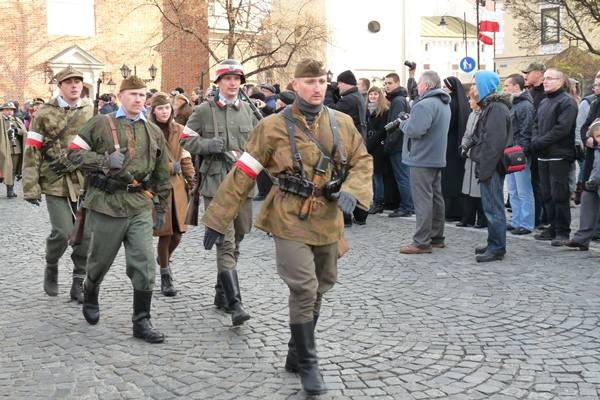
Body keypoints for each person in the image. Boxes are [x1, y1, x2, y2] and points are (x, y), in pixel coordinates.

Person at [200, 58, 372, 395]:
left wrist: (352, 190)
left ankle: (295, 352)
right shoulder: (271, 126)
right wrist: (219, 219)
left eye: (321, 81)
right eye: (309, 82)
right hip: (289, 215)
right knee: (304, 288)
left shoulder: (341, 122)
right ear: (295, 86)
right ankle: (309, 363)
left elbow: (361, 160)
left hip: (327, 216)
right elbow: (244, 172)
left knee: (321, 285)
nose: (317, 88)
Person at [67, 75, 171, 343]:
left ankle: (142, 321)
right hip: (107, 205)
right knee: (99, 262)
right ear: (120, 96)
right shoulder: (101, 123)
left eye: (142, 95)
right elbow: (73, 154)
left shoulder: (154, 131)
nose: (138, 99)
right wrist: (103, 160)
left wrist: (161, 206)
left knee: (145, 263)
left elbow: (161, 173)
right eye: (133, 94)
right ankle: (90, 291)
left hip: (139, 206)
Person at [180, 59, 258, 326]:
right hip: (216, 184)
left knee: (238, 238)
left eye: (237, 79)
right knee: (225, 242)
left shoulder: (248, 110)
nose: (233, 83)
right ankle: (236, 304)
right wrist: (206, 145)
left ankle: (221, 291)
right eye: (228, 79)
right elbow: (184, 139)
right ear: (219, 83)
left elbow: (259, 145)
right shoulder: (204, 110)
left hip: (243, 184)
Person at [22, 66, 94, 301]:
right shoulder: (44, 113)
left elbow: (98, 144)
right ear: (60, 86)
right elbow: (32, 149)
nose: (74, 86)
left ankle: (78, 282)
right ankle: (51, 263)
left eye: (77, 82)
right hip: (55, 179)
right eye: (69, 82)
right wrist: (31, 187)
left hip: (83, 180)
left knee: (85, 235)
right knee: (62, 232)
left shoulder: (90, 110)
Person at [397, 70, 451, 254]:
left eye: (419, 82)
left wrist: (403, 123)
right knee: (436, 198)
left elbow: (415, 130)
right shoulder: (443, 103)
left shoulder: (424, 104)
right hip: (435, 157)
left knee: (423, 200)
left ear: (426, 85)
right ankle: (437, 237)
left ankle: (421, 242)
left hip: (421, 158)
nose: (417, 86)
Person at [148, 92, 195, 296]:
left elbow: (185, 157)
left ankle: (163, 258)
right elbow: (145, 160)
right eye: (160, 108)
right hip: (158, 188)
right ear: (153, 111)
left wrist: (192, 182)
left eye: (167, 108)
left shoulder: (180, 130)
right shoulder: (148, 130)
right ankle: (165, 275)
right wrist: (167, 167)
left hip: (178, 188)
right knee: (165, 234)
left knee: (178, 234)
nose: (164, 111)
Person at [530, 68, 578, 246]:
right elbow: (536, 124)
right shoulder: (544, 101)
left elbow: (562, 129)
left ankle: (563, 231)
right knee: (547, 194)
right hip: (543, 154)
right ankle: (552, 227)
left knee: (560, 195)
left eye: (550, 78)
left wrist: (540, 142)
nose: (545, 81)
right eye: (545, 78)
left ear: (560, 81)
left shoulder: (567, 102)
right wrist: (535, 139)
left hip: (559, 154)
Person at [470, 71, 512, 262]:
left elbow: (493, 143)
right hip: (489, 165)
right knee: (491, 207)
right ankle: (493, 242)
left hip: (492, 166)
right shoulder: (491, 106)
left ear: (484, 85)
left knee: (494, 208)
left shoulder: (496, 108)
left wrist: (485, 169)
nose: (473, 87)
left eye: (475, 84)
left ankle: (497, 248)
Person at [325, 69, 368, 225]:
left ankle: (346, 217)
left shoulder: (350, 99)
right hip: (357, 144)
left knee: (343, 179)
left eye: (339, 84)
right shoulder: (356, 96)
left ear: (345, 83)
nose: (338, 87)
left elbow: (330, 111)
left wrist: (328, 92)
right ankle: (361, 215)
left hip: (349, 146)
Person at [503, 73, 536, 235]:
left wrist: (521, 151)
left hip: (519, 152)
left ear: (516, 86)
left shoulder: (525, 105)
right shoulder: (513, 103)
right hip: (510, 151)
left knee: (523, 190)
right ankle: (516, 220)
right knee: (513, 190)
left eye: (507, 85)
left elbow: (526, 130)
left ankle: (527, 223)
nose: (504, 88)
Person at [566, 118, 600, 251]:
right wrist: (587, 139)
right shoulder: (594, 107)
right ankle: (582, 239)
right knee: (588, 199)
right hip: (593, 163)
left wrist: (595, 140)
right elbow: (585, 127)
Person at [384, 72, 413, 217]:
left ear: (397, 83)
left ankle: (407, 206)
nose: (387, 86)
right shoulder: (398, 99)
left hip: (398, 146)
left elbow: (396, 125)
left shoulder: (398, 100)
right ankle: (407, 205)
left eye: (390, 83)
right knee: (403, 176)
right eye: (385, 83)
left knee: (403, 177)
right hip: (399, 144)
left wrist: (389, 143)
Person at [457, 86, 486, 228]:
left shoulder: (484, 115)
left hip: (478, 156)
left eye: (471, 99)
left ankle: (482, 219)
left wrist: (470, 151)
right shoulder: (472, 114)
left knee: (478, 190)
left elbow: (480, 137)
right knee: (468, 189)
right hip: (469, 155)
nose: (469, 101)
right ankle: (467, 217)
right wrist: (464, 146)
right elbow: (467, 134)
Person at [441, 77, 470, 221]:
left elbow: (446, 124)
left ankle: (451, 211)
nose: (443, 89)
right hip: (456, 144)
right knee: (457, 179)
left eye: (445, 86)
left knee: (449, 179)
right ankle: (458, 211)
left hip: (450, 145)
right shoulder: (461, 102)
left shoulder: (451, 103)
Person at [523, 62, 547, 228]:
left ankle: (543, 217)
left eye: (529, 72)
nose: (526, 75)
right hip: (531, 144)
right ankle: (535, 216)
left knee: (541, 184)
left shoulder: (546, 94)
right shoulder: (530, 93)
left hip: (542, 144)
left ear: (539, 73)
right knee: (532, 183)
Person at [365, 86, 389, 215]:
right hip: (369, 145)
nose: (372, 96)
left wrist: (369, 143)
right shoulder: (366, 110)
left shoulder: (384, 111)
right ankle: (375, 200)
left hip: (378, 146)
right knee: (372, 175)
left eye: (375, 94)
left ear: (380, 96)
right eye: (371, 94)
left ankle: (379, 201)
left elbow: (382, 131)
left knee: (377, 175)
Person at [0, 101, 26, 197]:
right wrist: (6, 133)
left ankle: (10, 190)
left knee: (13, 170)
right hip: (3, 148)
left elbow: (24, 132)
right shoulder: (1, 120)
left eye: (11, 110)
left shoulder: (16, 120)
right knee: (4, 168)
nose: (10, 111)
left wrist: (17, 130)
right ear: (2, 110)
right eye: (7, 109)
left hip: (16, 149)